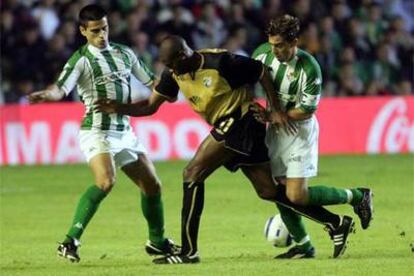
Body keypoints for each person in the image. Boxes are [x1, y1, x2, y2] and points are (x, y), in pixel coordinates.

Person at [96, 35, 371, 264]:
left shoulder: (221, 62)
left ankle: (189, 251)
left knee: (192, 173)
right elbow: (149, 107)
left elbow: (260, 71)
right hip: (228, 126)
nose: (168, 71)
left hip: (243, 122)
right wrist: (118, 107)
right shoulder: (174, 72)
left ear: (182, 55)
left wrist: (273, 107)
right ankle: (336, 223)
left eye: (171, 64)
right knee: (268, 190)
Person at [28, 4, 178, 263]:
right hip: (97, 131)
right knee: (106, 181)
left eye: (105, 28)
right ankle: (69, 241)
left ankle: (157, 242)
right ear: (83, 31)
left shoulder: (125, 54)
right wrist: (46, 95)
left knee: (152, 186)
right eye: (95, 30)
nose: (102, 35)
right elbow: (60, 89)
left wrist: (176, 81)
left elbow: (152, 82)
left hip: (124, 131)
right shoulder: (81, 59)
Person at [251, 14, 374, 258]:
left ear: (294, 41)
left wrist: (277, 115)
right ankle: (304, 246)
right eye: (272, 43)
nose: (274, 50)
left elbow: (307, 110)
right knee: (278, 191)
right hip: (274, 131)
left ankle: (358, 196)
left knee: (296, 195)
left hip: (299, 133)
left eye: (280, 45)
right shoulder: (262, 54)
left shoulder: (309, 68)